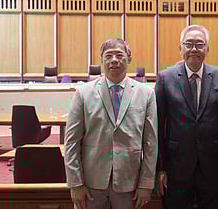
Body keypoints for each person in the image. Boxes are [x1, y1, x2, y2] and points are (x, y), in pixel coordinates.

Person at [64, 38, 157, 209]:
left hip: (130, 183)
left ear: (129, 59)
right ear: (102, 60)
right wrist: (75, 183)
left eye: (119, 55)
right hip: (91, 182)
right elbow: (71, 142)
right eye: (109, 56)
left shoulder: (146, 94)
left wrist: (146, 183)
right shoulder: (83, 93)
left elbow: (151, 143)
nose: (114, 59)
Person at [156, 25, 218, 209]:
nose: (194, 49)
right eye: (189, 44)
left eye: (199, 44)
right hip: (177, 166)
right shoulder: (165, 78)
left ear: (207, 49)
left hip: (213, 166)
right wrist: (160, 168)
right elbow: (159, 126)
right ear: (181, 48)